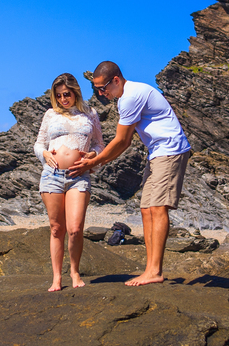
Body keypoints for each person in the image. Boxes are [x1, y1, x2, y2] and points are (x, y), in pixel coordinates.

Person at [68, 62, 191, 286]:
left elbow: (122, 141)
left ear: (116, 80)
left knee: (158, 207)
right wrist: (95, 158)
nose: (101, 93)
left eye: (103, 87)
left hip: (171, 150)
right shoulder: (127, 96)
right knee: (146, 209)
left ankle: (155, 271)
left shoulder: (131, 97)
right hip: (156, 152)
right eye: (96, 89)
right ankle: (151, 269)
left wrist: (95, 162)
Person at [34, 73, 103, 292]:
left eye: (67, 94)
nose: (64, 99)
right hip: (52, 175)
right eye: (59, 95)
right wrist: (44, 155)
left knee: (75, 229)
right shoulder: (50, 114)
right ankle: (56, 278)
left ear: (75, 92)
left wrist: (92, 156)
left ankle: (74, 271)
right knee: (56, 229)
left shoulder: (90, 114)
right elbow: (39, 144)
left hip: (79, 176)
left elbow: (100, 145)